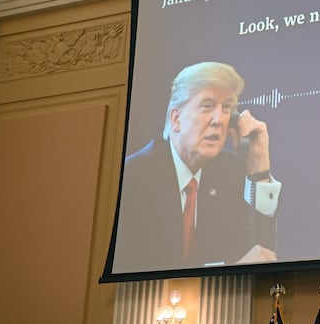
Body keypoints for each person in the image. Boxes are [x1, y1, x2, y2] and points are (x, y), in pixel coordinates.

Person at [115, 61, 282, 271]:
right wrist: (230, 273)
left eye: (227, 108)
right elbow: (139, 269)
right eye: (207, 106)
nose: (218, 120)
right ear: (176, 119)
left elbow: (263, 256)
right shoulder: (134, 176)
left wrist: (259, 170)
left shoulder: (231, 171)